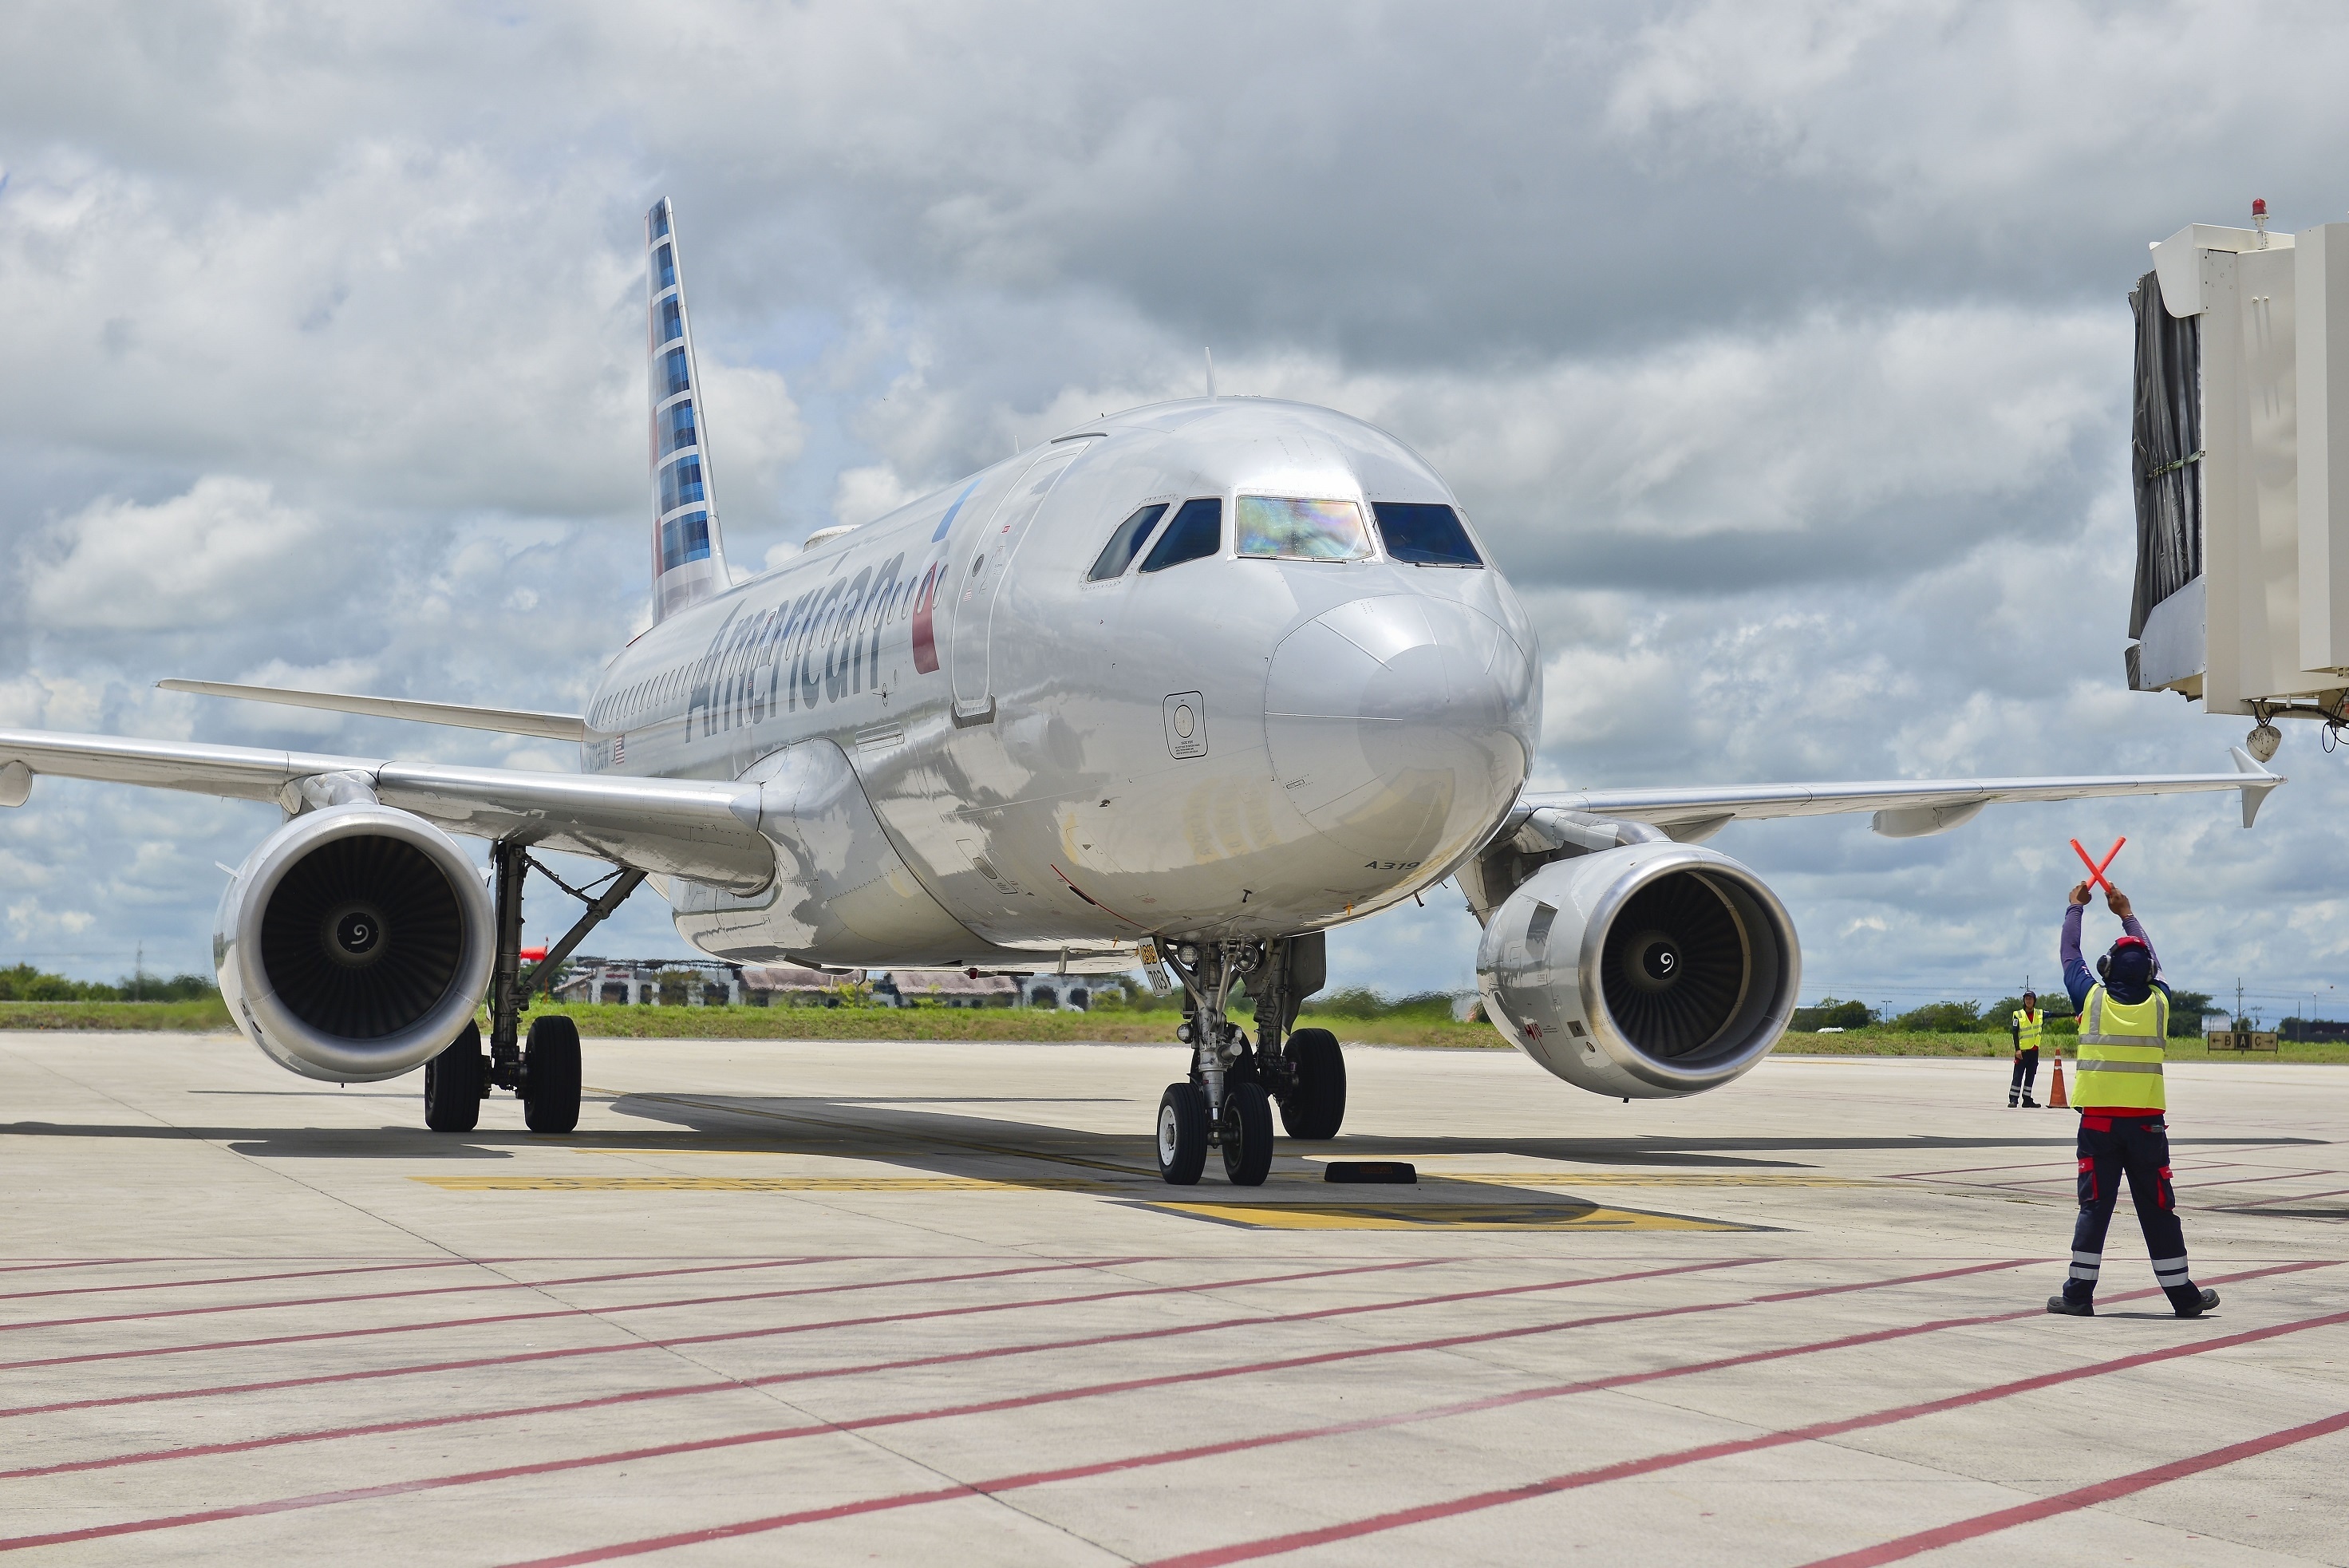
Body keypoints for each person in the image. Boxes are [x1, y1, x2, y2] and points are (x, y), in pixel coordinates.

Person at [2047, 879, 2219, 1318]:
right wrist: (2127, 914)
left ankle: (2078, 1296)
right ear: (2148, 974)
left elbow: (2070, 954)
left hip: (2099, 1125)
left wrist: (2075, 908)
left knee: (2094, 1209)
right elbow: (2155, 964)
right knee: (2159, 1210)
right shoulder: (2160, 1002)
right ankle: (2183, 1297)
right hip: (2146, 1127)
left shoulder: (2091, 998)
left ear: (2106, 969)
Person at [2008, 989, 2043, 1107]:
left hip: (2034, 1051)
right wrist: (2017, 1049)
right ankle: (2013, 1099)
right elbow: (2014, 1033)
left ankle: (2027, 1099)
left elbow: (2054, 1014)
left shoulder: (2039, 1013)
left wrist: (2075, 1013)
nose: (2028, 1001)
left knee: (2031, 1075)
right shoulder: (2018, 1015)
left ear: (2034, 1001)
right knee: (2018, 1075)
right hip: (2022, 1052)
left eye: (2030, 999)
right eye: (2026, 999)